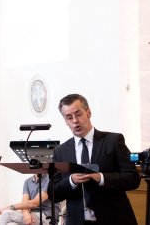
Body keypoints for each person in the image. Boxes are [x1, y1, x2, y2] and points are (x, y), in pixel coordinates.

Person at [49, 93, 140, 225]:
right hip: (77, 221)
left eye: (78, 114)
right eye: (69, 117)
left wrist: (101, 178)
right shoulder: (60, 151)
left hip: (114, 219)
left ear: (88, 112)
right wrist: (71, 181)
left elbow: (133, 179)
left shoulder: (113, 141)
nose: (75, 121)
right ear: (65, 121)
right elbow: (53, 193)